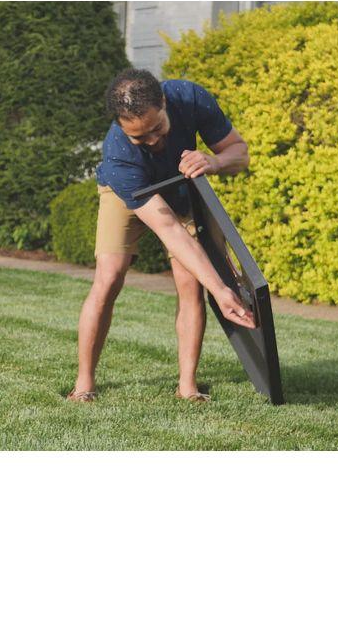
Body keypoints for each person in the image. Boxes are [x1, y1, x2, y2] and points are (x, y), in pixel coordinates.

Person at [68, 68, 255, 404]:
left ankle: (188, 387)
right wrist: (223, 291)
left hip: (180, 186)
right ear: (123, 128)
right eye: (140, 137)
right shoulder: (119, 156)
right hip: (127, 193)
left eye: (157, 128)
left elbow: (239, 153)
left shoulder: (191, 98)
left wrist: (212, 162)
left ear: (165, 102)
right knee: (109, 277)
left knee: (190, 282)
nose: (153, 140)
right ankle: (83, 384)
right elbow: (167, 228)